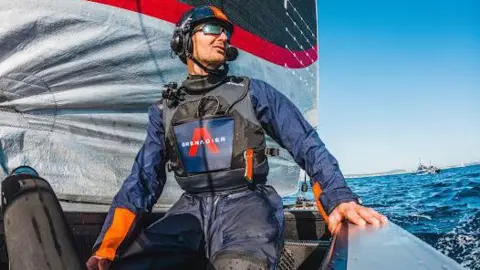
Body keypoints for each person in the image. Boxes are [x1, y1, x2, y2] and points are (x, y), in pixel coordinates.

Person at [86, 5, 387, 270]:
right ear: (184, 40)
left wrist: (338, 199)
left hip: (248, 205)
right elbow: (142, 180)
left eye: (227, 33)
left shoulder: (253, 93)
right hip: (190, 208)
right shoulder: (164, 111)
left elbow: (305, 143)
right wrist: (107, 247)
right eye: (213, 30)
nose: (224, 38)